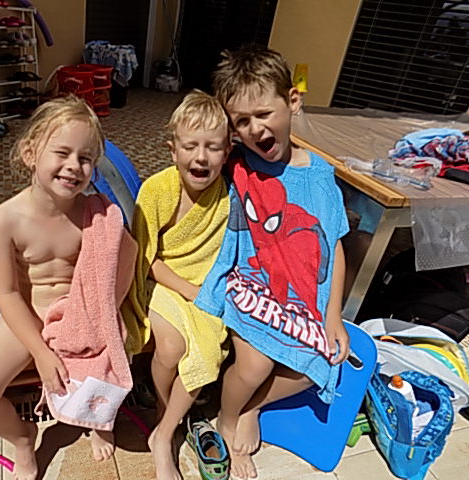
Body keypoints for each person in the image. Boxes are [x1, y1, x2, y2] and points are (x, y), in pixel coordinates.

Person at [194, 45, 351, 479]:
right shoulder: (237, 164)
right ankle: (228, 418)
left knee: (323, 363)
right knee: (255, 364)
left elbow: (335, 245)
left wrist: (334, 315)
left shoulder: (320, 177)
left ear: (293, 101)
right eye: (241, 122)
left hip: (298, 296)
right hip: (249, 286)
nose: (255, 129)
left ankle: (253, 407)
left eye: (264, 114)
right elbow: (195, 146)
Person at [0, 95, 126, 480]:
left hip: (80, 316)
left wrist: (107, 313)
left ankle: (97, 421)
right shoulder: (6, 220)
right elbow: (7, 294)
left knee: (114, 353)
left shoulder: (95, 215)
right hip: (29, 316)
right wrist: (40, 351)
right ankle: (22, 437)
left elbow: (121, 261)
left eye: (85, 158)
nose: (74, 166)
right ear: (30, 153)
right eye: (62, 153)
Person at [121, 90, 231, 479]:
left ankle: (164, 432)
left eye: (212, 147)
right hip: (162, 283)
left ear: (227, 152)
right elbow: (144, 257)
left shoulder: (226, 199)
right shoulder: (157, 191)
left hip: (202, 288)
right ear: (173, 150)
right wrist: (188, 290)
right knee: (170, 347)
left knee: (207, 352)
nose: (201, 157)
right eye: (191, 146)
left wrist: (207, 292)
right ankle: (164, 408)